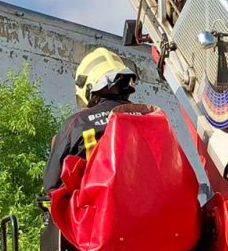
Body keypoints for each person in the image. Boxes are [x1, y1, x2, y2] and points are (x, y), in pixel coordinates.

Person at [43, 47, 151, 197]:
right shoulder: (151, 117)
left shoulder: (77, 124)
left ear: (88, 86)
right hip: (154, 213)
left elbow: (52, 185)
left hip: (96, 217)